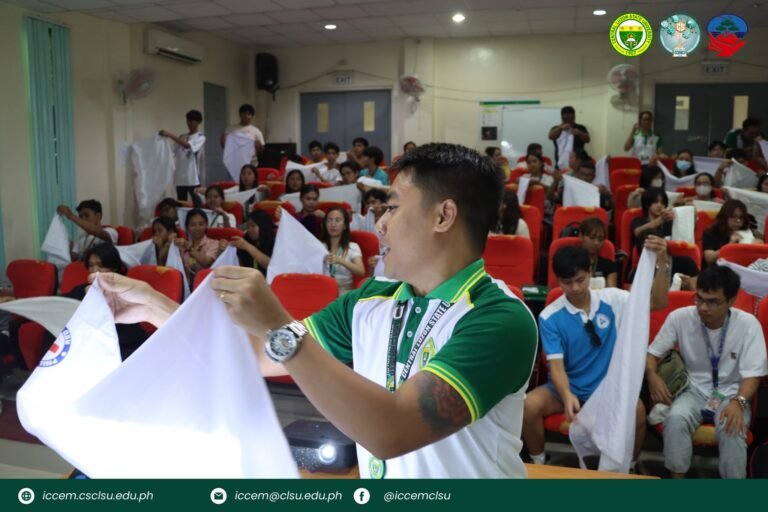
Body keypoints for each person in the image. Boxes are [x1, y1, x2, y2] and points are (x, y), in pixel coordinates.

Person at [96, 142, 539, 478]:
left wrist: (277, 325)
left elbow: (392, 431)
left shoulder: (499, 319)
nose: (380, 223)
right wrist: (154, 305)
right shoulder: (369, 301)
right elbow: (255, 355)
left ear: (443, 216)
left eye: (392, 207)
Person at [523, 241, 670, 470]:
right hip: (568, 389)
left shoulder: (614, 300)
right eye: (567, 282)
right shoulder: (549, 316)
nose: (575, 288)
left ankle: (629, 467)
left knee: (638, 412)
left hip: (607, 391)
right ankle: (539, 462)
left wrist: (662, 263)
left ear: (591, 271)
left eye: (580, 280)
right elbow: (557, 367)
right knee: (529, 406)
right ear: (557, 280)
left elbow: (658, 302)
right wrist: (567, 394)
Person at [646, 266, 768, 479]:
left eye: (712, 302)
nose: (703, 307)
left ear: (731, 301)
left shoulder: (748, 325)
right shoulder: (680, 318)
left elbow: (753, 374)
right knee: (675, 419)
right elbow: (652, 354)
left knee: (732, 427)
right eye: (699, 299)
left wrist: (739, 402)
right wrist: (652, 376)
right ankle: (676, 482)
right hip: (692, 389)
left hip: (733, 392)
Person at [60, 244, 149, 361]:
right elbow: (61, 306)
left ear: (114, 268)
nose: (94, 271)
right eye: (91, 265)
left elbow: (129, 338)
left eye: (101, 266)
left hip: (120, 351)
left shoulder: (125, 294)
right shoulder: (81, 291)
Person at [629, 229, 699, 291]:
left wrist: (688, 284)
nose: (653, 250)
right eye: (648, 248)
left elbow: (699, 290)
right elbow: (633, 296)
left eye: (657, 246)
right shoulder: (639, 271)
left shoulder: (686, 263)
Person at [160, 109, 206, 201]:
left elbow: (187, 145)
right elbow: (172, 152)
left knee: (197, 202)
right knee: (181, 202)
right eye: (188, 121)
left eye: (192, 121)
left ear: (198, 122)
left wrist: (170, 135)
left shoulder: (200, 137)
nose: (189, 123)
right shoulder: (182, 137)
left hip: (193, 177)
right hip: (180, 177)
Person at [702, 200, 764, 266]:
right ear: (724, 217)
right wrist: (730, 245)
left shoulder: (747, 232)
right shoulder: (711, 232)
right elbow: (709, 259)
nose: (738, 220)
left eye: (741, 218)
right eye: (733, 216)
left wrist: (758, 246)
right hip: (719, 268)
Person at [320, 207, 365, 294]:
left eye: (337, 220)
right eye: (329, 220)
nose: (333, 224)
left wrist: (341, 261)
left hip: (344, 291)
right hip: (323, 290)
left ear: (344, 225)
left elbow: (361, 271)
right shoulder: (320, 247)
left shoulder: (352, 247)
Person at [175, 208, 220, 282]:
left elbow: (206, 262)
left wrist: (190, 249)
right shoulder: (182, 244)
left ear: (206, 225)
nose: (197, 228)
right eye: (193, 225)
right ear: (187, 227)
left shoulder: (214, 243)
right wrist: (170, 243)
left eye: (201, 224)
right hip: (186, 285)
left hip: (207, 283)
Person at [231, 210, 274, 275]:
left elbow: (271, 265)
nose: (249, 230)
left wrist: (247, 246)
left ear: (263, 226)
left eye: (253, 226)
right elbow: (239, 264)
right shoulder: (246, 239)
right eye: (248, 227)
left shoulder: (274, 242)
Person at [578, 217, 616, 288]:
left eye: (600, 239)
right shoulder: (571, 262)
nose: (596, 242)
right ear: (581, 236)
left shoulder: (609, 265)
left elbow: (612, 291)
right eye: (592, 237)